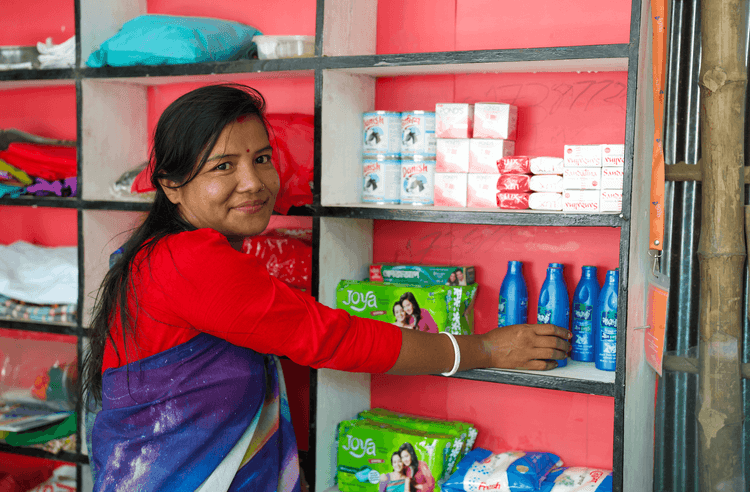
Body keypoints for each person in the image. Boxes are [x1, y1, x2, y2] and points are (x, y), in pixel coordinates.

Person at [81, 83, 571, 492]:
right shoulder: (189, 262)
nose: (253, 182)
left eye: (262, 158)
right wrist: (484, 348)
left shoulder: (162, 253)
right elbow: (331, 338)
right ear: (170, 184)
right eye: (223, 166)